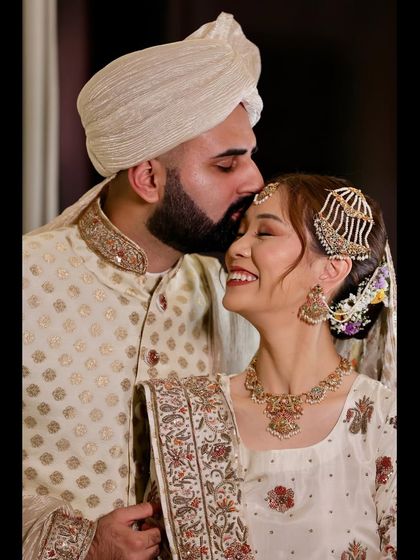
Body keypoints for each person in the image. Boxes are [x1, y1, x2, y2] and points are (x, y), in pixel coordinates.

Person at [23, 12, 264, 560]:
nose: (254, 180)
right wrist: (77, 543)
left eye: (249, 157)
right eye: (228, 165)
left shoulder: (235, 294)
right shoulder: (29, 283)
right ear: (148, 178)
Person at [140, 174, 397, 559]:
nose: (236, 248)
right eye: (241, 231)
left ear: (330, 269)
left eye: (265, 234)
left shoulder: (381, 419)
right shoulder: (193, 411)